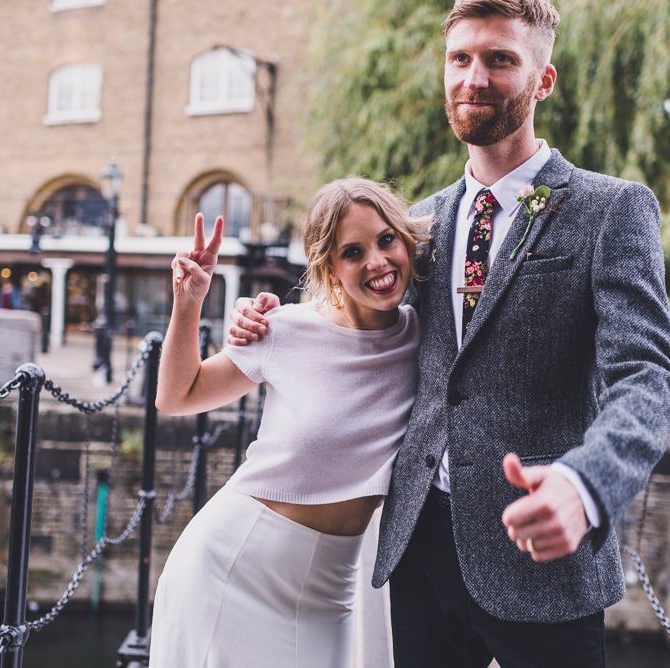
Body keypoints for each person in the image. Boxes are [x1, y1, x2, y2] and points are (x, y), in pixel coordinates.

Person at [229, 1, 670, 665]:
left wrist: (584, 487)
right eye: (460, 58)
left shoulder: (612, 209)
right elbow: (361, 326)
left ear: (542, 81)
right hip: (421, 547)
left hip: (544, 554)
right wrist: (265, 321)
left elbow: (645, 377)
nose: (474, 77)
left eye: (500, 59)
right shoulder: (421, 225)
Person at [149, 178, 431, 667]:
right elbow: (178, 396)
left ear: (406, 239)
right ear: (328, 266)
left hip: (330, 590)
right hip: (232, 566)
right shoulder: (285, 328)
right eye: (352, 252)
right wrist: (189, 300)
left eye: (386, 240)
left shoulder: (427, 339)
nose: (377, 262)